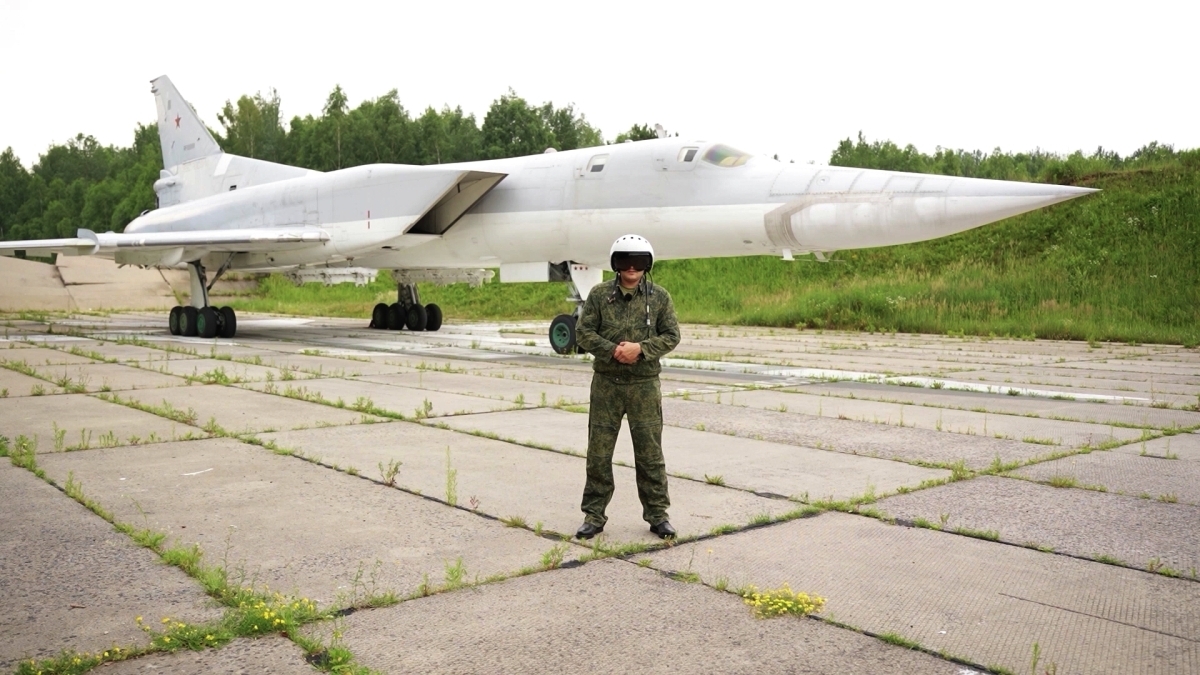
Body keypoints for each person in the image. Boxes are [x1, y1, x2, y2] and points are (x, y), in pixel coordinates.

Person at [574, 234, 681, 539]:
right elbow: (583, 332)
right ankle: (594, 515)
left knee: (650, 455)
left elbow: (671, 335)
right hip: (607, 385)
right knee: (598, 454)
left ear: (648, 264)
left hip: (644, 386)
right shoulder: (599, 295)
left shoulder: (659, 297)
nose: (631, 267)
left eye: (638, 261)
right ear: (615, 264)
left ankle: (658, 515)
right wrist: (612, 351)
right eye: (624, 261)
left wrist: (640, 349)